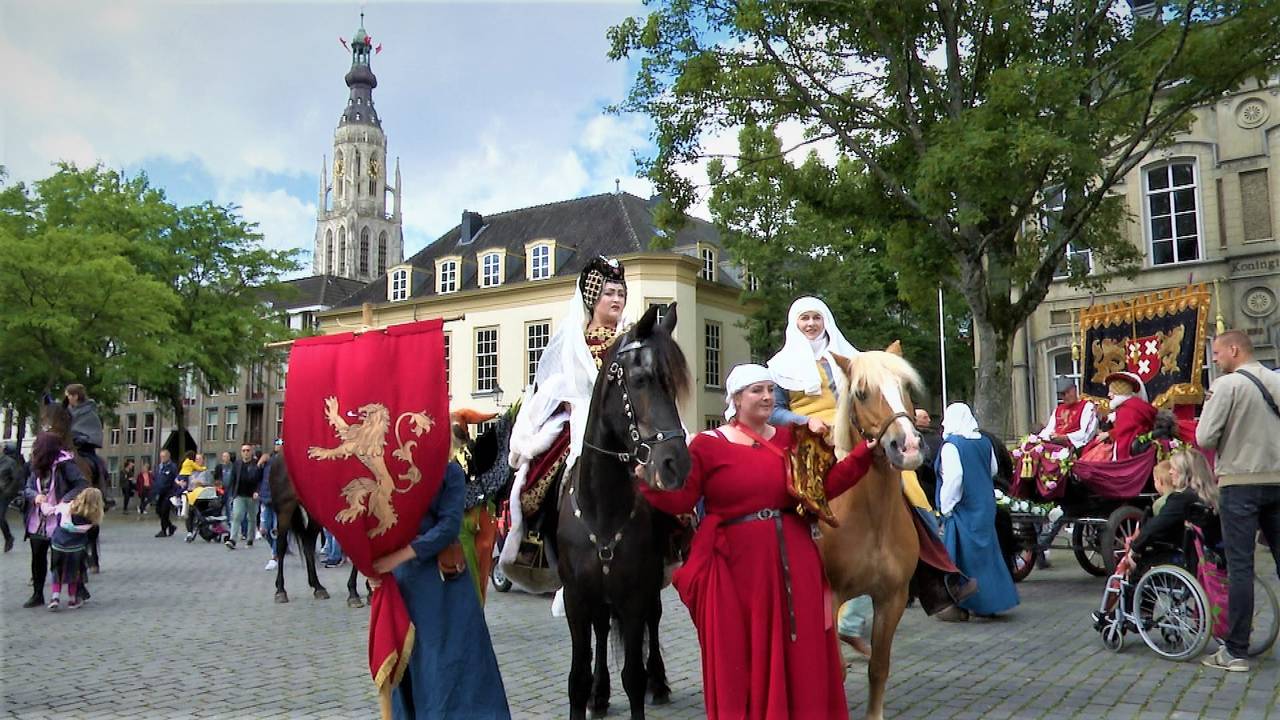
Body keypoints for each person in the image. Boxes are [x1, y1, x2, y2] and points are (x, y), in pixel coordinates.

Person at [640, 364, 877, 718]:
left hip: (795, 558)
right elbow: (682, 499)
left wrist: (863, 456)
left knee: (802, 646)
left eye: (770, 389)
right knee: (743, 650)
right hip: (738, 567)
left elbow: (820, 491)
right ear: (735, 399)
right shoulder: (708, 444)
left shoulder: (790, 440)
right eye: (756, 391)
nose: (767, 397)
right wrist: (647, 484)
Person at [501, 256, 630, 591]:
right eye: (609, 293)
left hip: (629, 419)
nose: (616, 299)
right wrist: (574, 403)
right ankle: (544, 543)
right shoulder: (575, 340)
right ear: (593, 299)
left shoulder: (631, 340)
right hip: (583, 417)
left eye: (620, 293)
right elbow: (557, 384)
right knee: (539, 482)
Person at [370, 460, 511, 719]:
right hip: (402, 584)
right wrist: (373, 565)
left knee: (446, 668)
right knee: (411, 667)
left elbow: (447, 528)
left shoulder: (448, 469)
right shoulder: (386, 466)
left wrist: (395, 559)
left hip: (442, 588)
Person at [1196, 330, 1280, 672]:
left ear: (1234, 350)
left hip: (1240, 482)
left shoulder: (1227, 386)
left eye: (1217, 352)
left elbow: (1204, 436)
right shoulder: (1275, 381)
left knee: (1241, 566)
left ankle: (1236, 650)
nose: (1214, 358)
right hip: (1277, 478)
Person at [936, 403, 1019, 619]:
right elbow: (992, 469)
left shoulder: (951, 445)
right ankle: (993, 601)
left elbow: (954, 479)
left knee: (963, 557)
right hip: (985, 504)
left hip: (964, 506)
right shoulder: (984, 442)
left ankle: (963, 602)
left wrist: (946, 506)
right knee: (988, 556)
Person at [21, 432, 88, 608]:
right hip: (38, 520)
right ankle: (37, 594)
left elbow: (81, 484)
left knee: (64, 558)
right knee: (37, 557)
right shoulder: (35, 466)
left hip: (59, 518)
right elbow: (27, 488)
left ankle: (76, 590)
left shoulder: (66, 464)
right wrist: (35, 497)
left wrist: (64, 500)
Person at [48, 487, 104, 611]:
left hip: (59, 543)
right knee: (75, 573)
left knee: (57, 570)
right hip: (76, 547)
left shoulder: (67, 507)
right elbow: (91, 537)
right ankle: (72, 599)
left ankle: (55, 597)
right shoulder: (91, 518)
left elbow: (55, 514)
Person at [1081, 372, 1157, 462]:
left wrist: (1108, 434)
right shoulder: (1128, 406)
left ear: (1119, 392)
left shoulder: (1129, 409)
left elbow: (1126, 432)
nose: (1109, 395)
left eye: (1111, 391)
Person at [225, 445, 263, 550]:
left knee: (251, 518)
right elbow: (232, 478)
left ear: (251, 452)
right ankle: (233, 539)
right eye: (243, 451)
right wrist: (232, 493)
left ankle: (250, 539)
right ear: (241, 452)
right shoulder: (237, 464)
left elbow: (260, 479)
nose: (246, 452)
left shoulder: (256, 464)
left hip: (252, 495)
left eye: (248, 450)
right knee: (236, 516)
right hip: (239, 495)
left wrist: (257, 491)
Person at [260, 442, 281, 571]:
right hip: (266, 499)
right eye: (276, 443)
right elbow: (259, 477)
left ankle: (275, 556)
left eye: (281, 443)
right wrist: (259, 464)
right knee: (265, 530)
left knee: (276, 529)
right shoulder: (267, 460)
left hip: (279, 500)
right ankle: (277, 548)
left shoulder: (286, 460)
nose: (278, 445)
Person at [0, 442, 23, 552]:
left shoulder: (10, 462)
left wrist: (8, 491)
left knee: (0, 516)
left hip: (4, 493)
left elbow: (16, 479)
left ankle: (8, 537)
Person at [153, 450, 179, 537]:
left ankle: (163, 530)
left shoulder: (172, 467)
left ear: (168, 457)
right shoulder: (159, 467)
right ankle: (171, 526)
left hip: (168, 492)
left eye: (164, 456)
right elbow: (156, 479)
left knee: (164, 511)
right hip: (160, 492)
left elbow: (176, 479)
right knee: (158, 510)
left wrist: (174, 492)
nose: (162, 458)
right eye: (161, 457)